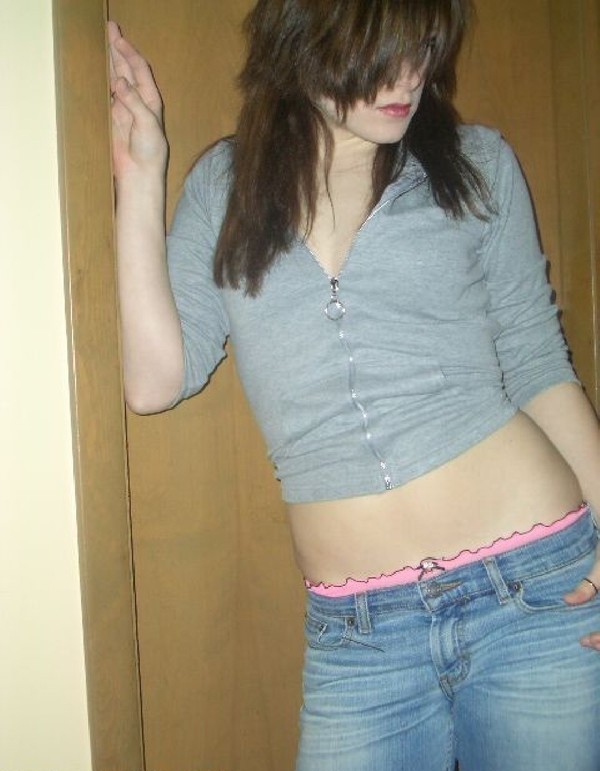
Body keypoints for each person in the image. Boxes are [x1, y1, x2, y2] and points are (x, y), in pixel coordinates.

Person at [108, 1, 600, 768]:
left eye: (423, 47)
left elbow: (539, 363)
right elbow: (152, 380)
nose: (411, 76)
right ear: (304, 38)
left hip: (535, 591)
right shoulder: (224, 189)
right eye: (381, 49)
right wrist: (142, 174)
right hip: (360, 635)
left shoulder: (475, 163)